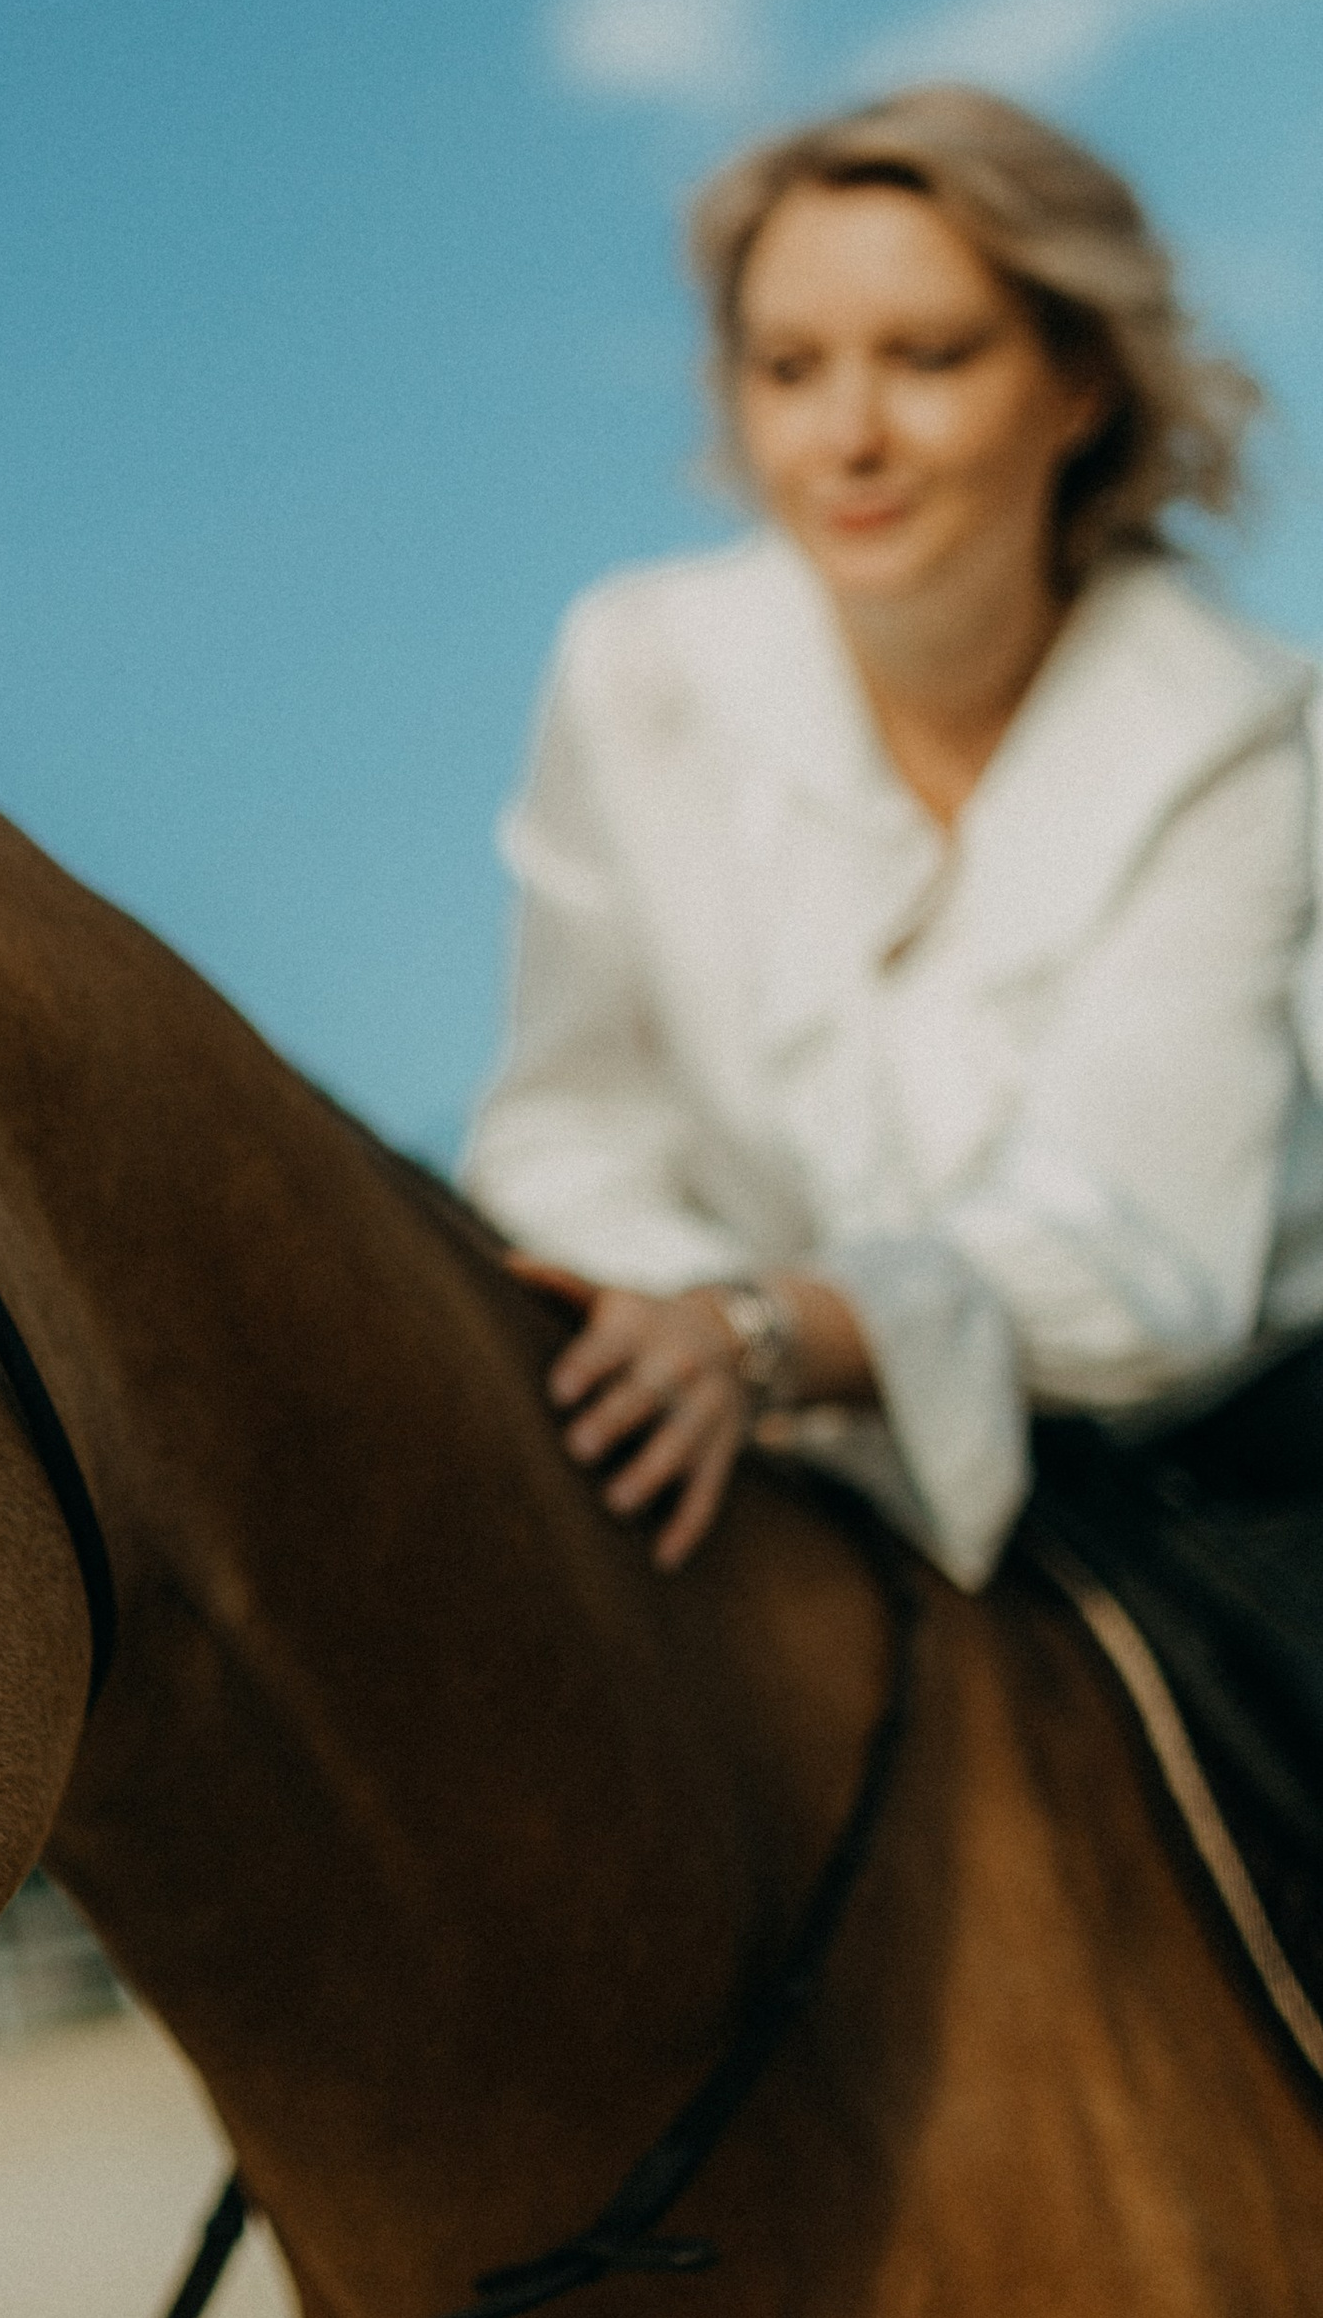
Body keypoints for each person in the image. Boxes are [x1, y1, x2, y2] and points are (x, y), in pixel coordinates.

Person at [463, 85, 1323, 1593]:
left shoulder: (1244, 735)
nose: (850, 436)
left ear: (1081, 382)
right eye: (790, 369)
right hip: (757, 1457)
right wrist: (683, 1331)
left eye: (930, 358)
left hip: (1223, 1490)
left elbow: (1136, 1252)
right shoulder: (637, 670)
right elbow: (563, 1123)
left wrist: (764, 1333)